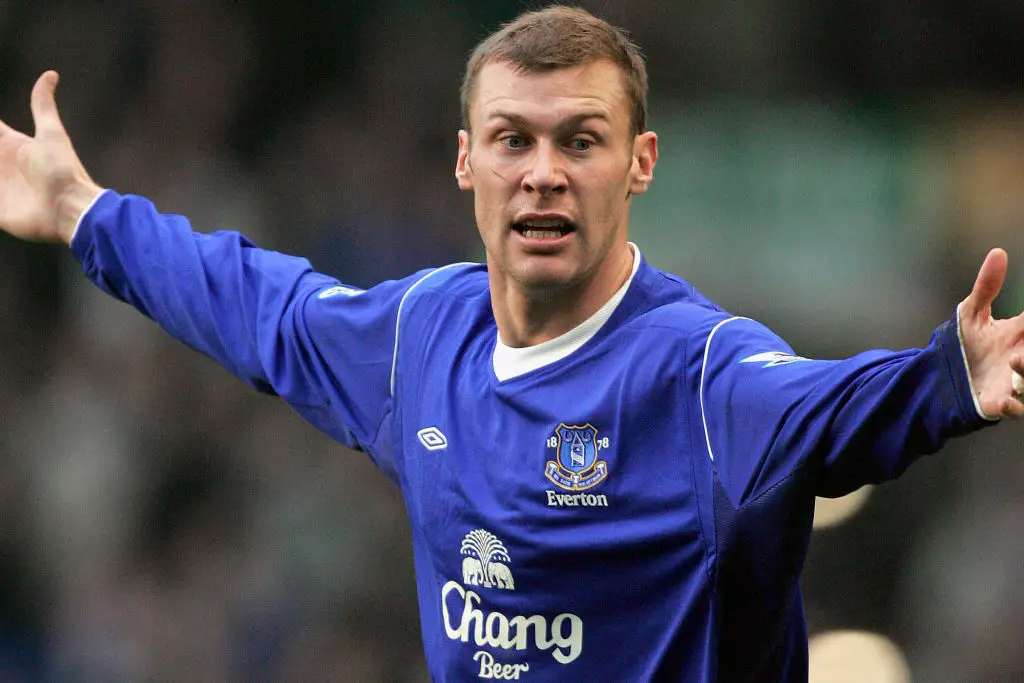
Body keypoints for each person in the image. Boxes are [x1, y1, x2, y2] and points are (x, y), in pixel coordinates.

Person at [0, 5, 1021, 682]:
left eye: (580, 140)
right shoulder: (414, 337)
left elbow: (825, 406)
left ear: (639, 164)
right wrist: (88, 215)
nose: (543, 173)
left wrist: (945, 380)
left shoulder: (702, 374)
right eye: (512, 140)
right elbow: (256, 303)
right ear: (465, 162)